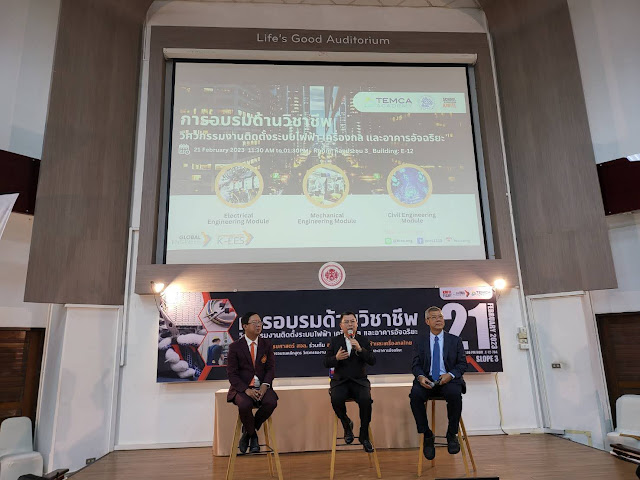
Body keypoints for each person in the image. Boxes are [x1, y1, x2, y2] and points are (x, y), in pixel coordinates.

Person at [410, 306, 468, 460]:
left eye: (440, 317)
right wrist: (421, 377)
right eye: (434, 317)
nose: (438, 320)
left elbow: (462, 364)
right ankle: (427, 435)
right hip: (428, 379)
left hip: (448, 380)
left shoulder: (455, 340)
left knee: (454, 394)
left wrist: (450, 375)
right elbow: (415, 365)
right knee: (415, 396)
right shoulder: (420, 341)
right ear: (427, 321)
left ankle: (452, 434)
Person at [324, 311, 376, 452]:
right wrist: (336, 358)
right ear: (341, 326)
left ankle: (364, 436)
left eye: (352, 321)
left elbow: (372, 360)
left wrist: (360, 349)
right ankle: (347, 425)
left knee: (366, 401)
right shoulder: (335, 341)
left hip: (359, 381)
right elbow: (326, 362)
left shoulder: (363, 340)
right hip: (340, 381)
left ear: (357, 324)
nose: (350, 324)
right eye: (346, 322)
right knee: (336, 399)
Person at [226, 312, 278, 454]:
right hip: (242, 389)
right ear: (245, 326)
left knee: (271, 402)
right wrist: (246, 390)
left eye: (260, 322)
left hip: (262, 387)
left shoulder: (266, 345)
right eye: (254, 322)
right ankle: (253, 436)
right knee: (244, 404)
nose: (258, 325)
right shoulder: (235, 347)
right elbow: (232, 374)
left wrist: (264, 386)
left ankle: (248, 431)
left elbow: (271, 368)